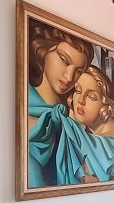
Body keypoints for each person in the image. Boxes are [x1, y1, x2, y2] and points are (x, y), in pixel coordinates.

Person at [27, 21, 95, 186]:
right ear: (43, 50)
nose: (69, 76)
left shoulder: (72, 117)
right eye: (64, 60)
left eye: (78, 71)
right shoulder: (23, 105)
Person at [70, 65, 114, 182]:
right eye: (78, 90)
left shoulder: (113, 135)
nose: (80, 100)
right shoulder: (85, 128)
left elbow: (89, 181)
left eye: (91, 97)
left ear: (105, 104)